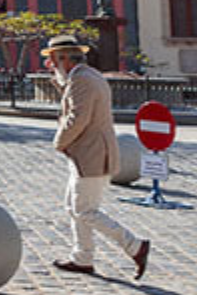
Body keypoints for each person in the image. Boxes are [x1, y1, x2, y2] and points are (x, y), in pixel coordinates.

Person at [44, 34, 151, 280]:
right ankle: (82, 258)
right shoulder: (86, 76)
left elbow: (77, 118)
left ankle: (135, 246)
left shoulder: (81, 81)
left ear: (64, 59)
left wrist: (58, 142)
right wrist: (58, 81)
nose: (49, 64)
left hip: (91, 155)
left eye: (52, 59)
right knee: (74, 207)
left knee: (85, 211)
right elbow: (77, 102)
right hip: (88, 154)